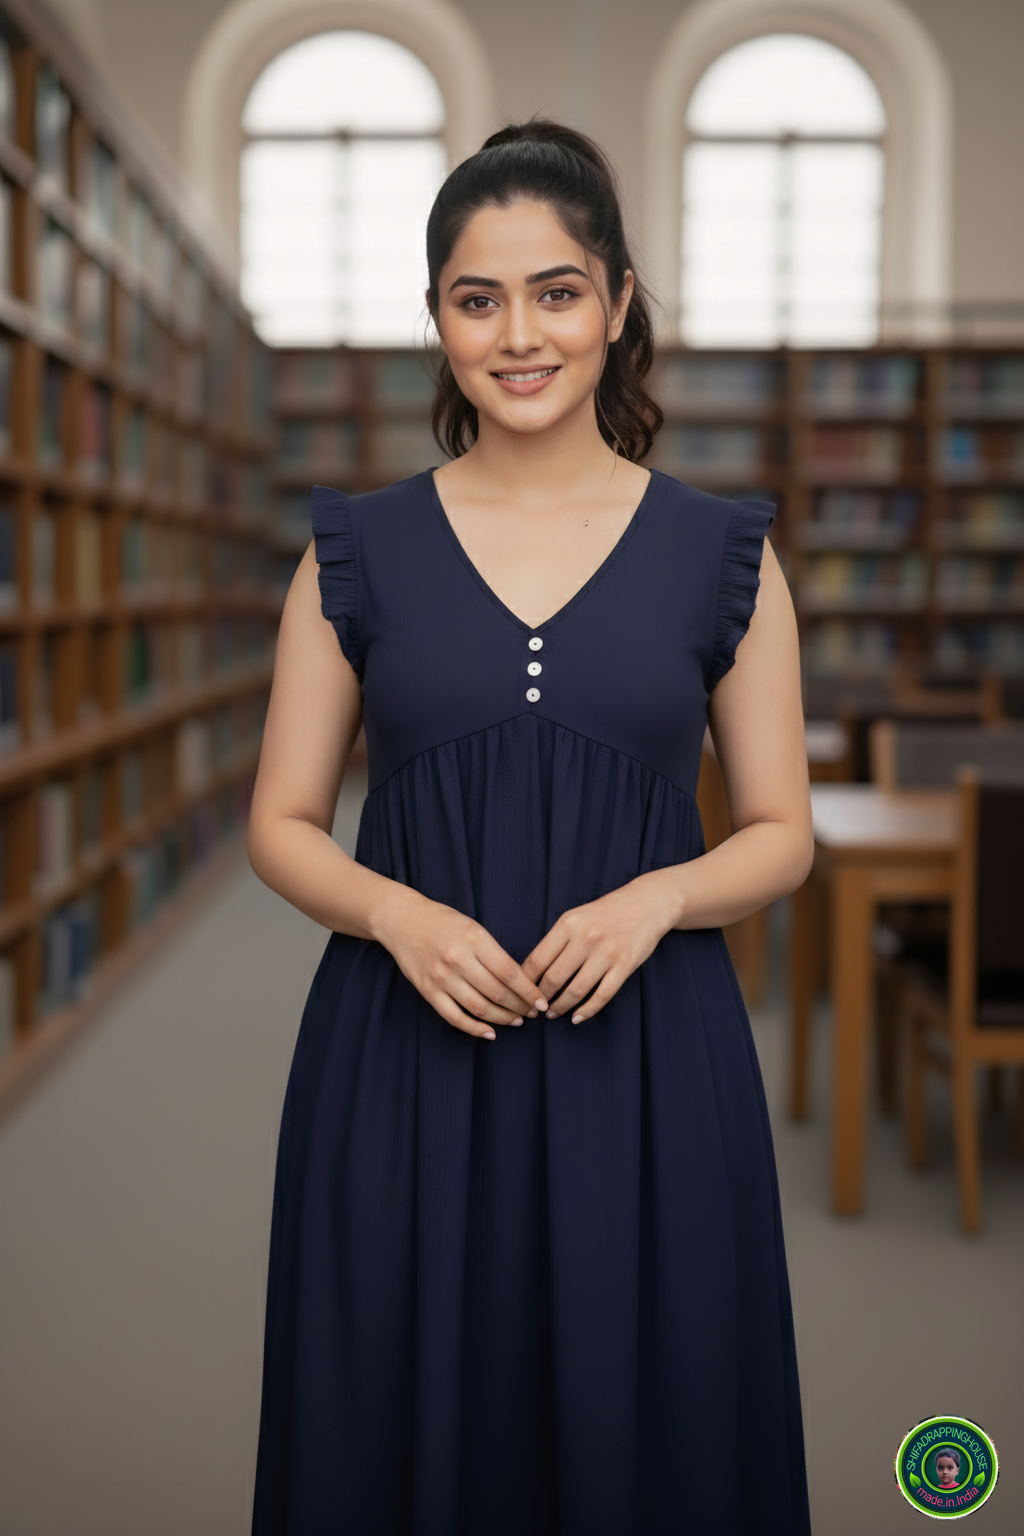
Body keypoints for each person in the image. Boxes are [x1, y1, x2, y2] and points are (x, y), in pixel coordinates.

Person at [248, 118, 813, 1535]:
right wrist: (395, 911)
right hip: (402, 1059)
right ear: (436, 317)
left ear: (619, 306)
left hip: (650, 1059)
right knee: (393, 1424)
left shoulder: (726, 555)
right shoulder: (351, 554)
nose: (520, 334)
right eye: (477, 297)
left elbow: (780, 832)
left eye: (557, 292)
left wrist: (659, 899)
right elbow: (284, 821)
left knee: (657, 1423)